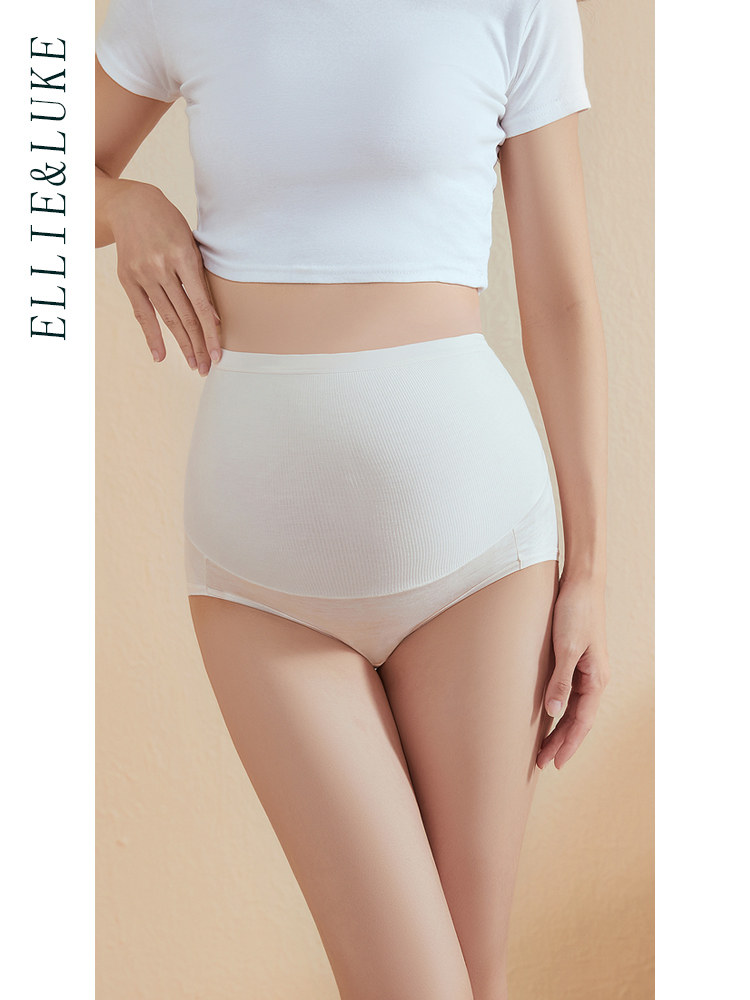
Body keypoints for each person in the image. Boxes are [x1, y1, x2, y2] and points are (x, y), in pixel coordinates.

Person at [95, 1, 610, 997]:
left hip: (480, 550)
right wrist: (127, 205)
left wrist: (589, 571)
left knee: (473, 981)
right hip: (260, 571)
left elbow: (562, 298)